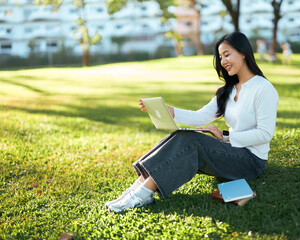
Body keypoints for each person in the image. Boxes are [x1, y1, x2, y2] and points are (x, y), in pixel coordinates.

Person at [105, 32, 279, 213]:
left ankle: (141, 195)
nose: (223, 61)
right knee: (183, 135)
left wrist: (226, 137)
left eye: (227, 54)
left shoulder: (263, 89)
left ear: (243, 52)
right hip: (231, 151)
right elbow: (201, 117)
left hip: (251, 161)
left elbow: (265, 134)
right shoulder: (227, 90)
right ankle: (135, 191)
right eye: (220, 57)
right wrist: (171, 112)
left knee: (192, 142)